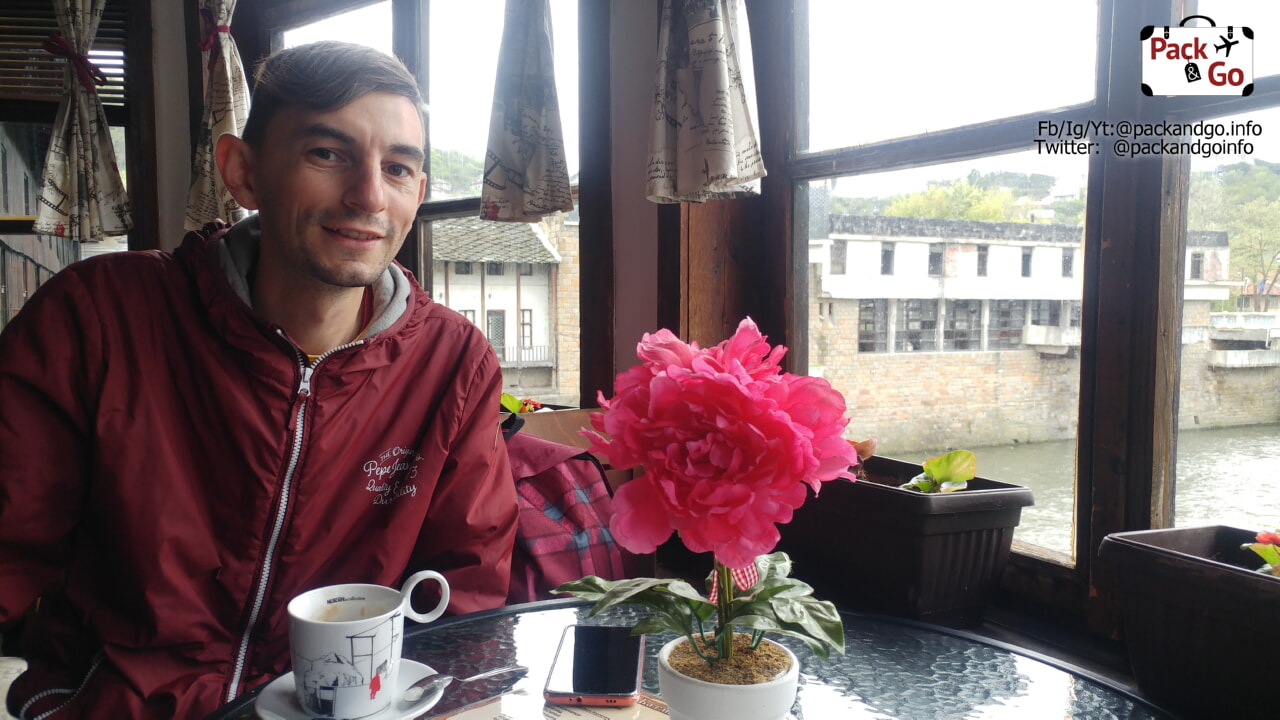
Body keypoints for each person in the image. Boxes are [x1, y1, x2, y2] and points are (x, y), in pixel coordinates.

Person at [0, 41, 518, 719]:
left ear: (417, 194)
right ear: (242, 172)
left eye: (397, 168)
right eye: (326, 154)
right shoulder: (100, 317)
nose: (367, 195)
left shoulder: (453, 364)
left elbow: (465, 605)